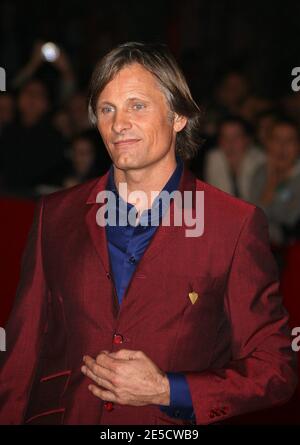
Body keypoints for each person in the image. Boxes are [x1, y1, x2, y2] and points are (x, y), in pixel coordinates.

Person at [0, 42, 297, 425]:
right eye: (107, 109)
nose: (118, 122)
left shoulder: (233, 224)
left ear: (178, 116)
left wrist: (168, 389)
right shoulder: (55, 215)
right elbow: (21, 354)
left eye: (137, 105)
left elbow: (274, 367)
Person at [249, 117, 300, 246]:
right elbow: (252, 218)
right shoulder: (261, 172)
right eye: (277, 140)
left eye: (289, 140)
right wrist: (271, 181)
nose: (282, 147)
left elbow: (289, 221)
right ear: (268, 143)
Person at [204, 116, 265, 200]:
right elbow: (217, 198)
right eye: (225, 137)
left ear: (247, 139)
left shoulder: (260, 159)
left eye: (236, 137)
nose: (230, 143)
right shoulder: (215, 158)